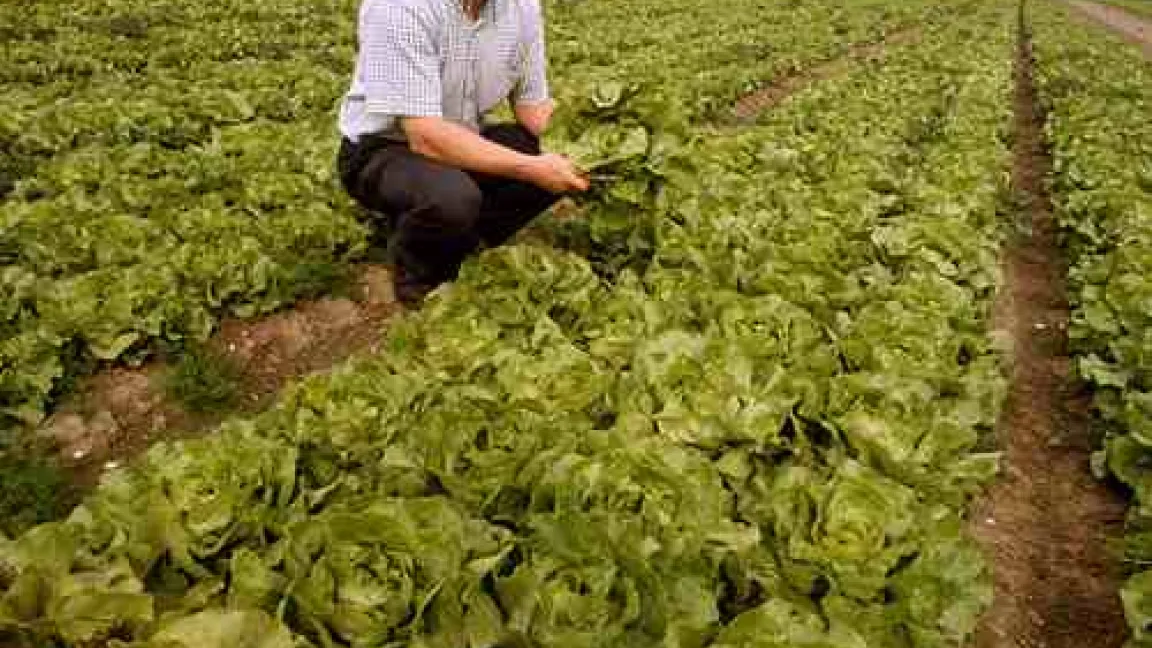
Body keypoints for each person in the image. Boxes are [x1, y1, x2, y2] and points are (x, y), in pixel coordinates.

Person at [336, 0, 590, 305]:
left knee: (550, 153)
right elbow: (425, 136)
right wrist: (532, 168)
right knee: (452, 198)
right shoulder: (400, 7)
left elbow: (532, 106)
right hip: (386, 147)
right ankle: (418, 274)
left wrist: (591, 147)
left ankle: (465, 242)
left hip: (461, 134)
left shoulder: (521, 7)